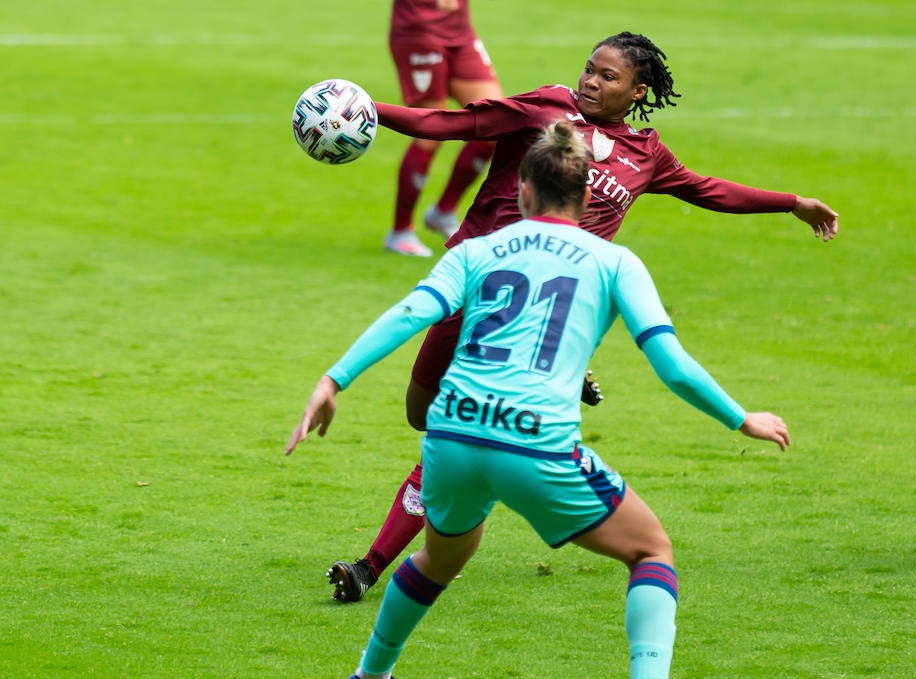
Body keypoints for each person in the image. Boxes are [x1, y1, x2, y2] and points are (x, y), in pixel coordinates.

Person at [286, 119, 791, 679]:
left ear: (522, 191)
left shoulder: (475, 251)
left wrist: (333, 381)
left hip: (452, 433)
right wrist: (741, 419)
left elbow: (409, 314)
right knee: (651, 550)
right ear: (585, 198)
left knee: (443, 556)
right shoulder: (615, 260)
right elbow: (672, 366)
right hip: (535, 441)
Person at [327, 31, 838, 601]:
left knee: (456, 426)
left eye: (608, 77)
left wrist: (791, 202)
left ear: (638, 92)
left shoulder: (647, 155)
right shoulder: (547, 108)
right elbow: (454, 124)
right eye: (589, 69)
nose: (591, 81)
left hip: (542, 318)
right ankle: (471, 500)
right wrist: (370, 110)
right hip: (472, 282)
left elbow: (707, 189)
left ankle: (371, 565)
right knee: (421, 415)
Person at [383, 0, 503, 257]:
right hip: (419, 29)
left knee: (495, 124)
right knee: (429, 133)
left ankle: (443, 211)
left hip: (459, 30)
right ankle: (400, 230)